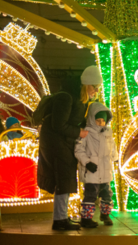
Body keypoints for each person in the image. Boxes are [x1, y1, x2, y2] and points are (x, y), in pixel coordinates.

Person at [35, 75, 87, 231]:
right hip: (57, 144)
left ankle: (62, 217)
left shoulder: (67, 97)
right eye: (93, 86)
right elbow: (59, 125)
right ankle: (59, 220)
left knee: (64, 180)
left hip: (58, 143)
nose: (95, 91)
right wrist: (79, 132)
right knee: (62, 180)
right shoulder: (66, 98)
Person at [74, 107, 117, 228]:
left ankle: (105, 214)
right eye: (97, 120)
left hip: (105, 170)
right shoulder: (86, 133)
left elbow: (113, 147)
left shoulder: (108, 133)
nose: (100, 123)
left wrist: (115, 158)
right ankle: (86, 219)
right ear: (92, 119)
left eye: (102, 121)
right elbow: (79, 150)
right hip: (92, 170)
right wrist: (87, 162)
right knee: (90, 195)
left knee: (107, 194)